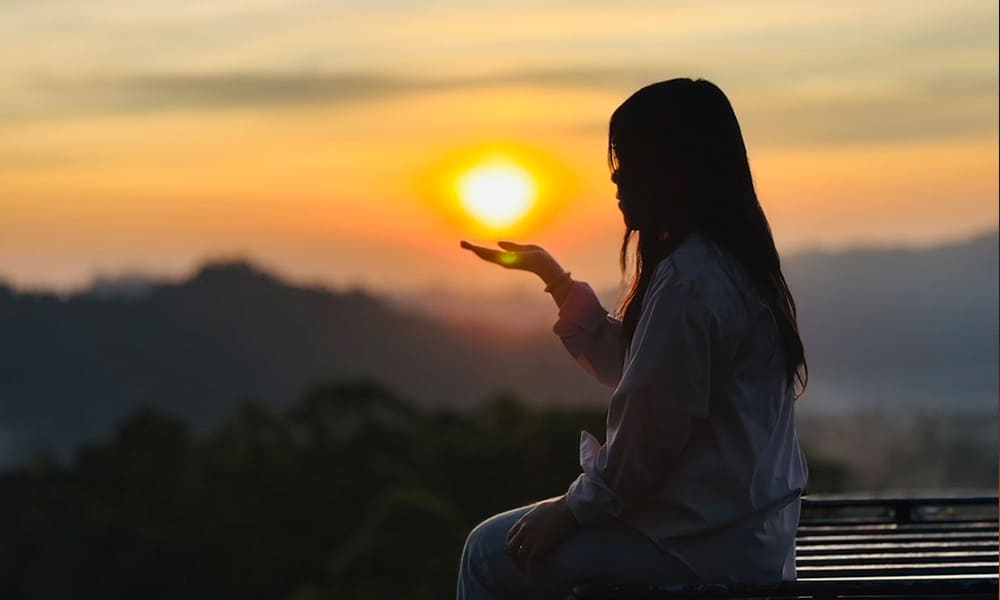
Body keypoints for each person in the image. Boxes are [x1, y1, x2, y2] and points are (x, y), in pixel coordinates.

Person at [455, 78, 809, 599]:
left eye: (629, 162)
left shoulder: (691, 281)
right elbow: (646, 368)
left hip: (699, 547)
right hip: (743, 536)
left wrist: (570, 509)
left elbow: (645, 444)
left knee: (487, 554)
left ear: (676, 169)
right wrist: (554, 278)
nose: (617, 180)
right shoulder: (728, 267)